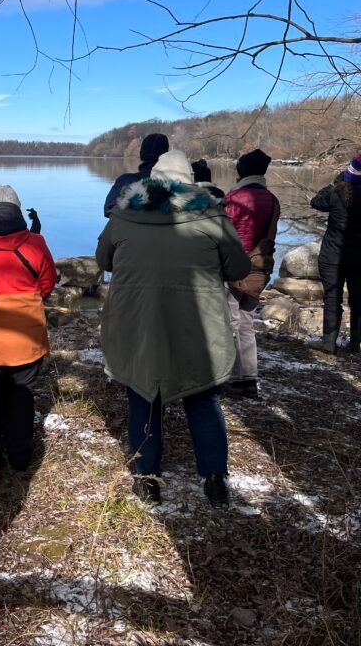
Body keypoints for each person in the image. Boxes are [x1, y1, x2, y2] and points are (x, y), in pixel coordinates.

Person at [97, 151, 250, 508]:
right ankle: (214, 479)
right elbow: (238, 267)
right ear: (190, 183)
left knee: (143, 392)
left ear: (150, 181)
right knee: (203, 396)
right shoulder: (213, 216)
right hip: (198, 322)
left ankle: (147, 479)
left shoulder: (122, 215)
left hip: (138, 321)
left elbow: (103, 260)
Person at [0, 185, 57, 472]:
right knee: (23, 398)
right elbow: (47, 284)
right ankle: (20, 457)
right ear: (17, 213)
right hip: (27, 339)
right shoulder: (36, 243)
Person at [223, 149, 280, 396]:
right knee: (246, 323)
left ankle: (234, 379)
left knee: (231, 323)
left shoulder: (235, 198)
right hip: (259, 269)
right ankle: (249, 379)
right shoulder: (271, 199)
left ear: (242, 171)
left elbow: (223, 234)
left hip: (234, 269)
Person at [309, 152, 361, 354]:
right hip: (359, 258)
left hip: (332, 256)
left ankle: (329, 343)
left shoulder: (336, 193)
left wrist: (334, 183)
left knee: (332, 298)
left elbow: (315, 201)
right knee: (358, 299)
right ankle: (355, 343)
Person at [102, 132, 170, 216]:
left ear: (141, 154)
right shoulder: (177, 183)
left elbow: (108, 210)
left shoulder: (125, 181)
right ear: (167, 156)